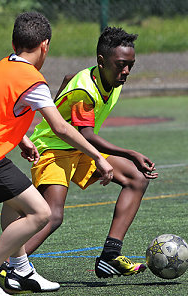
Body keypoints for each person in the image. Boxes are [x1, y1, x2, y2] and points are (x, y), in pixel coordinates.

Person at [0, 12, 113, 296]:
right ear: (45, 45)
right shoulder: (34, 82)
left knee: (14, 206)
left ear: (14, 43)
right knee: (41, 214)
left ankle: (21, 270)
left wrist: (21, 139)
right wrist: (97, 157)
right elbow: (61, 127)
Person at [25, 27, 158, 278]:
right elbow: (86, 135)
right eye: (121, 65)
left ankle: (110, 256)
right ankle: (7, 267)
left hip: (79, 149)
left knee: (135, 179)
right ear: (101, 61)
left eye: (131, 65)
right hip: (54, 149)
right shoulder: (84, 91)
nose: (126, 72)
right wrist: (130, 153)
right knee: (51, 216)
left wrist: (54, 106)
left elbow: (67, 77)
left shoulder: (107, 77)